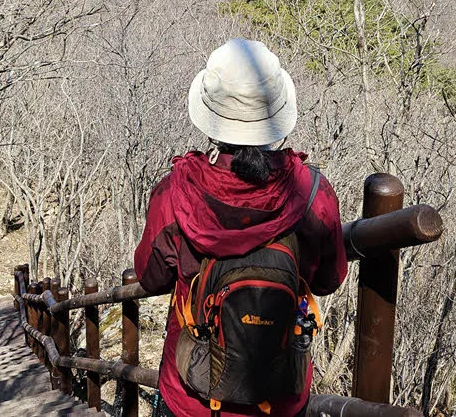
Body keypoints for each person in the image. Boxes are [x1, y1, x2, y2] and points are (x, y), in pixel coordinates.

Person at [134, 39, 348, 417]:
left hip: (192, 395)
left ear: (212, 116)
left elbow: (151, 279)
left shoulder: (177, 192)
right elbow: (329, 280)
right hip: (279, 396)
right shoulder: (311, 194)